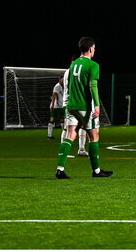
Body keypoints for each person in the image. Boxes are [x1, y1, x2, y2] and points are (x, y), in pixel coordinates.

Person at [55, 37, 112, 178]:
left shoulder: (72, 66)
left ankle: (60, 169)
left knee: (70, 135)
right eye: (94, 48)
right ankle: (96, 171)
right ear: (91, 48)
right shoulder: (93, 65)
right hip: (85, 107)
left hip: (71, 106)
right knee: (94, 136)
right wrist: (97, 105)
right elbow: (93, 86)